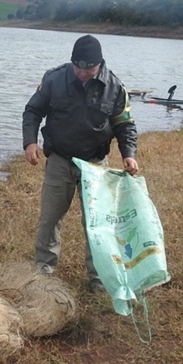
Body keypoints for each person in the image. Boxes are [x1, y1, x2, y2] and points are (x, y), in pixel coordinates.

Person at [22, 34, 139, 290]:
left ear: (99, 64)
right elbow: (32, 111)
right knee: (49, 219)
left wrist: (128, 153)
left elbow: (125, 124)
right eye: (77, 67)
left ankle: (98, 280)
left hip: (95, 164)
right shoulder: (55, 78)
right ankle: (42, 275)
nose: (82, 73)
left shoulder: (115, 87)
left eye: (88, 68)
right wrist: (30, 143)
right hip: (60, 160)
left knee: (97, 225)